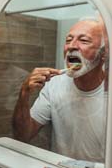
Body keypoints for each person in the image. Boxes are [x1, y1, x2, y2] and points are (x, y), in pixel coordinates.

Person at [12, 19, 106, 162]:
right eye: (68, 40)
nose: (71, 46)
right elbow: (22, 135)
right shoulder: (54, 84)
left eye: (84, 41)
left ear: (104, 54)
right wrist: (24, 93)